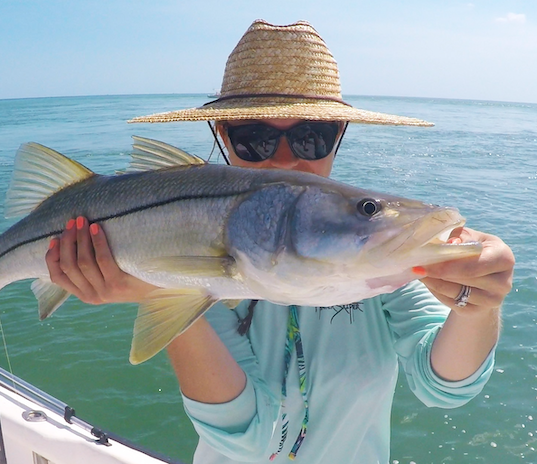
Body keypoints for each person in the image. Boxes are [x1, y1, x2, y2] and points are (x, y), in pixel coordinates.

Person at [45, 20, 514, 463]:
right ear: (222, 135)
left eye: (312, 137)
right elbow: (247, 438)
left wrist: (478, 307)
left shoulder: (375, 258)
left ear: (339, 135)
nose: (288, 162)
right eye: (256, 139)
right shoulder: (215, 255)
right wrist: (163, 290)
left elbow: (446, 387)